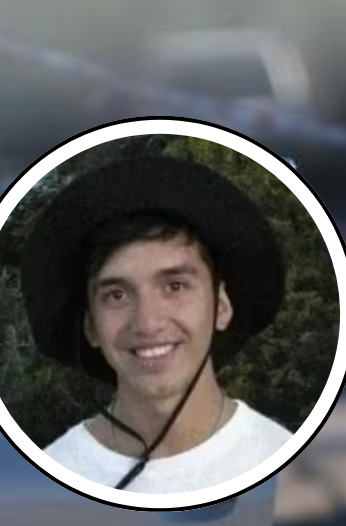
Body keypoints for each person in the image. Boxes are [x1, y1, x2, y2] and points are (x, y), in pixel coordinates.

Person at [19, 155, 295, 492]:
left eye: (175, 286)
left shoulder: (285, 469)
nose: (148, 323)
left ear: (221, 306)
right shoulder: (50, 480)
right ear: (90, 326)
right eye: (117, 295)